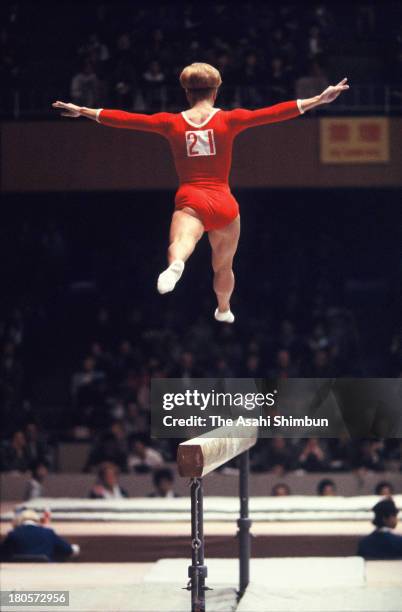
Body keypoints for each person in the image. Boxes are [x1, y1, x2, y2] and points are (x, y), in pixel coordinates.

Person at [53, 63, 349, 322]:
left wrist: (84, 111)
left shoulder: (170, 123)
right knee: (223, 265)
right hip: (224, 203)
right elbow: (272, 113)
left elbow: (127, 119)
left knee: (182, 240)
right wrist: (319, 99)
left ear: (186, 93)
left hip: (191, 199)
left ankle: (176, 265)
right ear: (216, 92)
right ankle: (223, 307)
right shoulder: (229, 119)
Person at [1, 509, 80, 562]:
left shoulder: (13, 534)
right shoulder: (48, 533)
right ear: (37, 520)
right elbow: (69, 550)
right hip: (46, 576)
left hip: (16, 577)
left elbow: (2, 553)